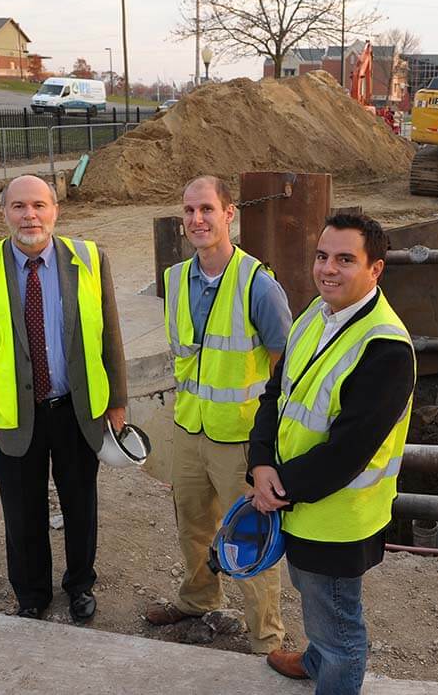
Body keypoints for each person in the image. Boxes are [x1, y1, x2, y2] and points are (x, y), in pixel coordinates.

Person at [248, 212, 416, 693]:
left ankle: (331, 667)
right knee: (311, 593)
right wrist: (259, 463)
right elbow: (274, 395)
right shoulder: (314, 316)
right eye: (323, 256)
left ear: (375, 269)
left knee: (339, 620)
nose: (328, 269)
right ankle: (317, 658)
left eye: (345, 259)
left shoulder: (384, 347)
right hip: (296, 500)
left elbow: (348, 453)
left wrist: (276, 488)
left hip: (339, 517)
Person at [0, 174, 127, 624]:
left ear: (55, 210)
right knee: (22, 510)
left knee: (80, 504)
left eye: (39, 205)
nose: (30, 215)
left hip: (76, 410)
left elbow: (110, 334)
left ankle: (80, 586)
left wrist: (118, 400)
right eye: (19, 207)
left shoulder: (88, 259)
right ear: (4, 213)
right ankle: (31, 594)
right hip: (13, 413)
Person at [147, 175, 290, 655]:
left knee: (250, 538)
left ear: (229, 214)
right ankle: (199, 599)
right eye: (189, 211)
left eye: (206, 209)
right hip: (189, 431)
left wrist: (271, 445)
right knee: (193, 526)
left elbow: (284, 370)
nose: (196, 220)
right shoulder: (173, 281)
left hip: (241, 441)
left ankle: (266, 638)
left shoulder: (258, 285)